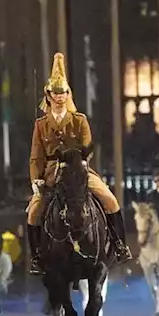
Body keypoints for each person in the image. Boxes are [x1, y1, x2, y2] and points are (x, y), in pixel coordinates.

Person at [26, 53, 130, 276]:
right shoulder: (41, 124)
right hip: (52, 172)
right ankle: (36, 257)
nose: (60, 97)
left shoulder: (79, 120)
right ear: (49, 95)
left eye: (63, 92)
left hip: (78, 168)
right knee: (34, 212)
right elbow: (36, 156)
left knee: (110, 200)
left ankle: (120, 245)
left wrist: (78, 164)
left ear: (67, 94)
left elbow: (86, 147)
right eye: (56, 93)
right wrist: (36, 178)